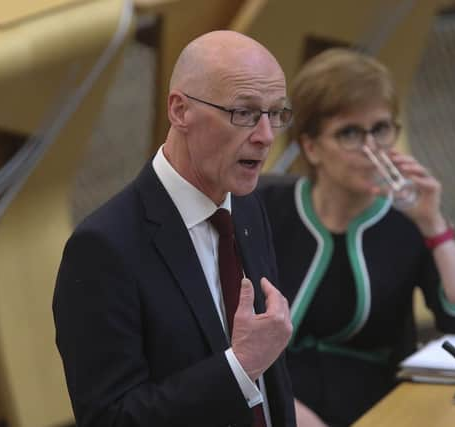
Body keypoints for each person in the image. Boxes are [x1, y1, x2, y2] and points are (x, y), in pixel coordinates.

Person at [52, 30, 296, 427]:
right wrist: (239, 367)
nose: (266, 136)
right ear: (180, 111)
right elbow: (110, 419)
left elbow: (272, 377)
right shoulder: (103, 249)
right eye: (244, 113)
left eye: (276, 114)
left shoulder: (248, 207)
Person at [258, 48, 455, 426]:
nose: (372, 150)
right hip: (269, 408)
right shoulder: (263, 209)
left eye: (382, 129)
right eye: (350, 133)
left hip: (377, 412)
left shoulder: (405, 220)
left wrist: (434, 225)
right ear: (311, 147)